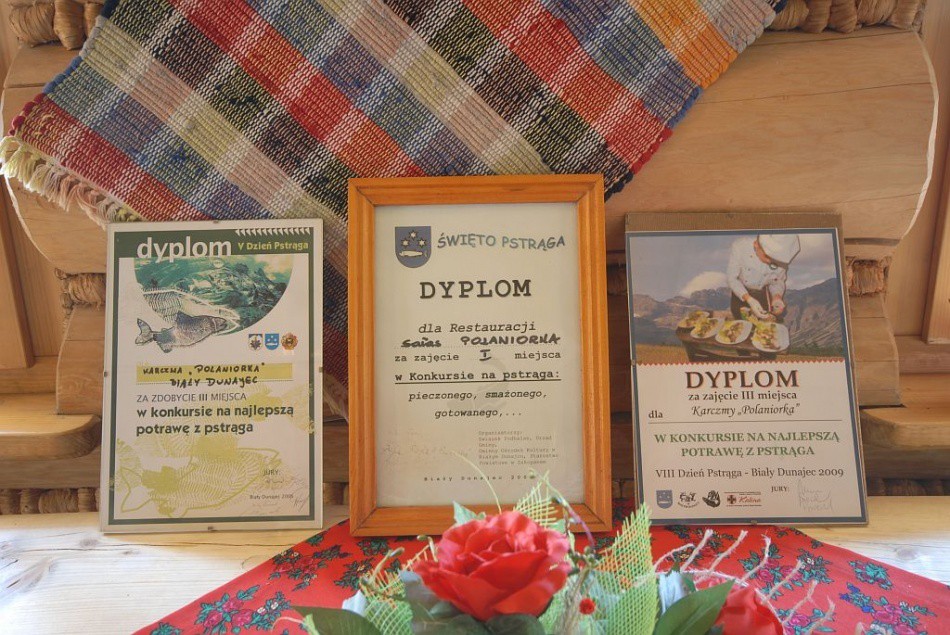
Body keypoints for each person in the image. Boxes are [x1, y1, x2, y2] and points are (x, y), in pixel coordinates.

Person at [727, 234, 801, 322]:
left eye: (774, 260)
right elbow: (732, 278)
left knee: (764, 324)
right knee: (739, 323)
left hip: (762, 294)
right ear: (756, 245)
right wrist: (749, 299)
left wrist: (777, 296)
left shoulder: (781, 258)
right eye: (767, 256)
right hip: (740, 292)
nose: (769, 261)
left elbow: (777, 282)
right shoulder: (740, 246)